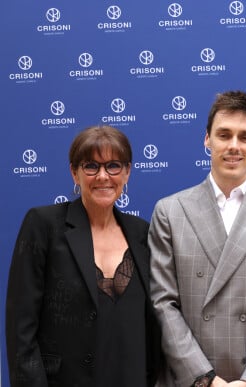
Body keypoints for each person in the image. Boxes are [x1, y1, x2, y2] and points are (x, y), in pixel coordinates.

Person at [149, 90, 246, 387]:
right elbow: (163, 305)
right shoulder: (170, 211)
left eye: (245, 137)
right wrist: (207, 380)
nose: (234, 146)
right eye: (224, 135)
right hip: (190, 381)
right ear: (207, 139)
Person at [5, 125, 163, 387]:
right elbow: (21, 332)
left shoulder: (143, 234)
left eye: (113, 165)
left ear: (127, 172)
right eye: (91, 166)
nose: (103, 176)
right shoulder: (44, 225)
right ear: (74, 173)